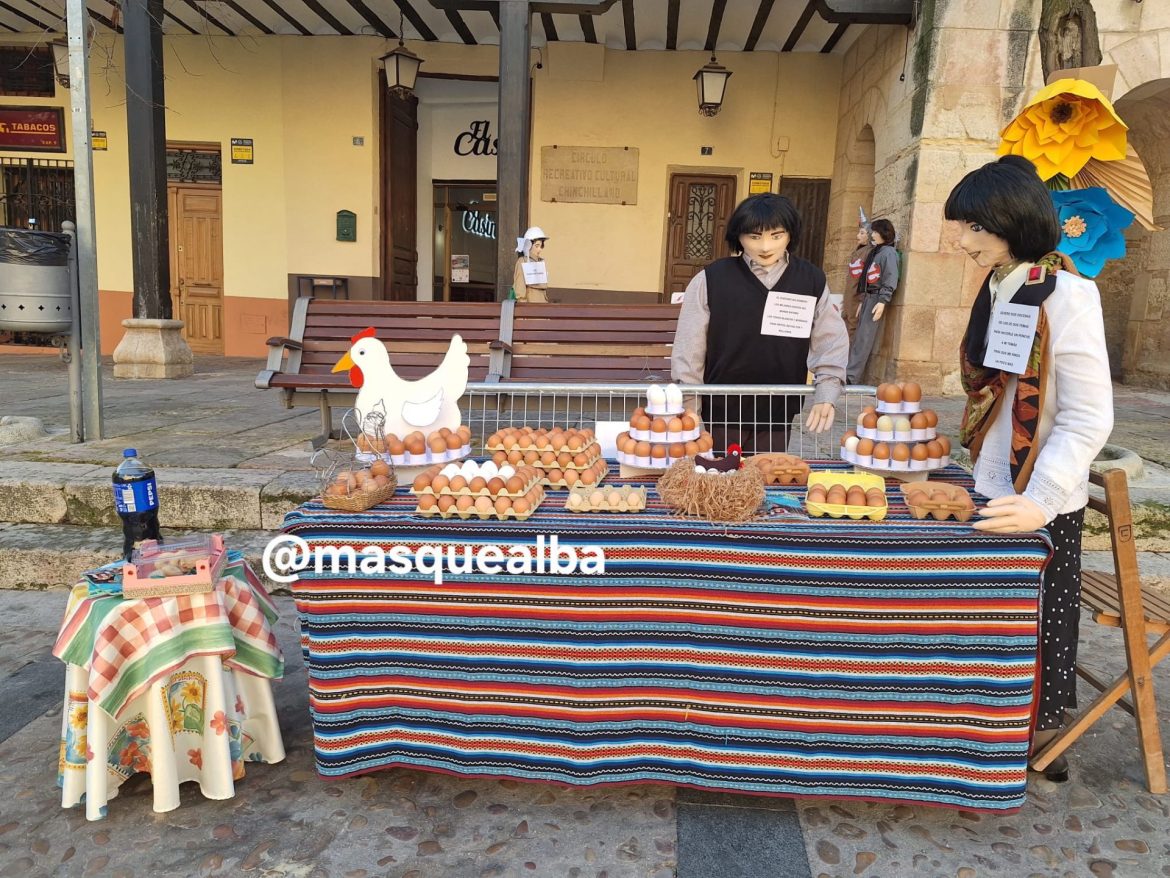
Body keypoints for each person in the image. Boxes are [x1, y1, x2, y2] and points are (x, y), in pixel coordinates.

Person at [944, 155, 1113, 783]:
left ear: (1012, 223)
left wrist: (1041, 498)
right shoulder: (999, 287)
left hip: (1040, 495)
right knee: (994, 620)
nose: (963, 241)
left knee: (1043, 621)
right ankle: (986, 724)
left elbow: (1089, 415)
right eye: (962, 227)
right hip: (992, 482)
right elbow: (996, 386)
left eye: (974, 228)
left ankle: (1043, 731)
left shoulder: (1069, 295)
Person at [671, 193, 848, 453]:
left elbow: (830, 340)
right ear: (739, 237)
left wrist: (827, 390)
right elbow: (689, 349)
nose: (765, 246)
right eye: (754, 237)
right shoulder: (711, 278)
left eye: (776, 236)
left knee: (768, 474)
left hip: (779, 409)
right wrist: (690, 408)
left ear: (790, 235)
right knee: (720, 473)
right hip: (722, 409)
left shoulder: (811, 280)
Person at [845, 218, 899, 384]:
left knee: (864, 338)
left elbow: (890, 277)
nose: (872, 235)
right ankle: (850, 373)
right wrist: (862, 300)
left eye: (875, 232)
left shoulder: (888, 253)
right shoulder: (876, 252)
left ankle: (851, 377)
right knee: (859, 336)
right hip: (868, 297)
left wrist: (883, 300)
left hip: (876, 298)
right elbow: (866, 277)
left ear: (883, 233)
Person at [844, 222, 874, 334]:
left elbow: (867, 277)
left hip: (857, 295)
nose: (858, 236)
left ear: (869, 235)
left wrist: (862, 298)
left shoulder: (869, 252)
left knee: (853, 325)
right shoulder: (858, 250)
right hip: (850, 294)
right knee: (846, 322)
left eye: (862, 233)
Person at [513, 226, 549, 303]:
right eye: (537, 246)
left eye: (541, 246)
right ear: (528, 245)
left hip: (543, 306)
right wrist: (525, 308)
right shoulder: (522, 261)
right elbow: (520, 289)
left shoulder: (541, 262)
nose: (539, 249)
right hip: (530, 306)